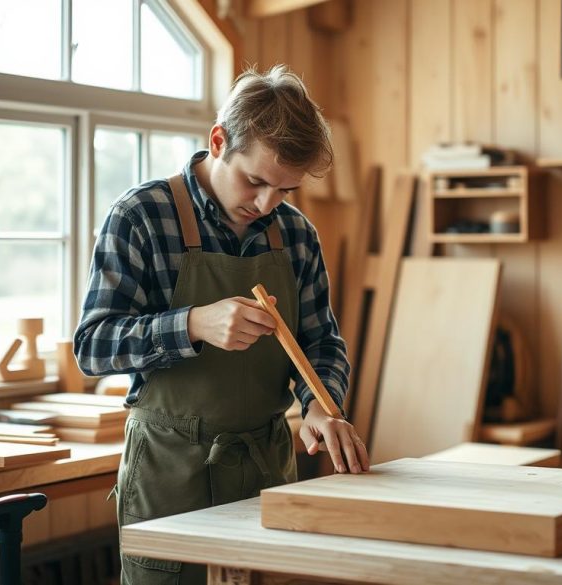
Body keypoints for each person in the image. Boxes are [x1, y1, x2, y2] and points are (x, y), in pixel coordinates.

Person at [74, 64, 370, 585]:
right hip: (168, 471)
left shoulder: (296, 235)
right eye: (255, 181)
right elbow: (92, 347)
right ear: (218, 140)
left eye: (285, 191)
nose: (266, 205)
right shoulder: (142, 216)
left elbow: (320, 342)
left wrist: (322, 408)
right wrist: (191, 324)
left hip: (263, 465)